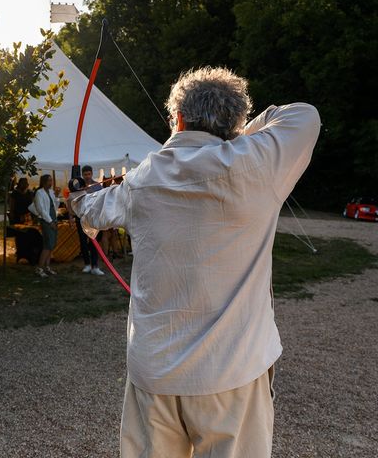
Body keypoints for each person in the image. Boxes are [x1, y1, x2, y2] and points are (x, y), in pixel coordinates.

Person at [70, 67, 320, 458]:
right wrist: (237, 134)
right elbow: (304, 114)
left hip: (154, 376)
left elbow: (91, 212)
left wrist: (78, 195)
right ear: (234, 122)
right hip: (232, 376)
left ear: (179, 119)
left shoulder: (141, 178)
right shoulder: (257, 160)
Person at [69, 165, 105, 276]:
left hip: (93, 218)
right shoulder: (77, 185)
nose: (87, 176)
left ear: (92, 173)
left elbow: (102, 201)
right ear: (82, 175)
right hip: (81, 217)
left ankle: (95, 266)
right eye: (85, 174)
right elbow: (72, 201)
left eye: (89, 174)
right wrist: (71, 216)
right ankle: (87, 264)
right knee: (83, 241)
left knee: (94, 241)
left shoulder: (97, 186)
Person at [31, 174, 59, 278]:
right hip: (46, 221)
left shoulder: (51, 192)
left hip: (53, 219)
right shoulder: (39, 193)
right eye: (49, 181)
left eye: (51, 181)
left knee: (52, 245)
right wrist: (50, 221)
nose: (51, 183)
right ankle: (40, 268)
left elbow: (55, 206)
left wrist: (56, 196)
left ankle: (47, 266)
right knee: (47, 245)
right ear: (43, 182)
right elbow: (41, 209)